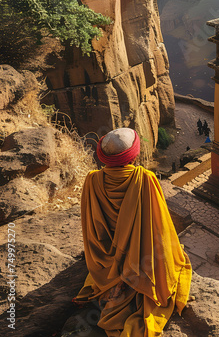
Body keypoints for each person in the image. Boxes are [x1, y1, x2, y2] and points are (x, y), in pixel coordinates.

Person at [75, 128, 192, 337]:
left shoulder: (92, 181)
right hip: (139, 262)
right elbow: (160, 228)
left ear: (103, 158)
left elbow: (92, 230)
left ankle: (115, 281)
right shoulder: (144, 179)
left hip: (107, 263)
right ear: (134, 154)